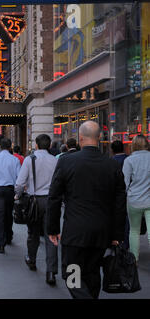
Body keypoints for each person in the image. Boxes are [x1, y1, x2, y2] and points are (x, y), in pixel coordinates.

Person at [46, 121, 127, 299]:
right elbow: (120, 203)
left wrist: (52, 228)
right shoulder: (112, 165)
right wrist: (117, 234)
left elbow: (54, 197)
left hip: (75, 232)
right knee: (92, 273)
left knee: (72, 274)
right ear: (99, 138)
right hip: (101, 232)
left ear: (80, 138)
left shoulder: (66, 161)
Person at [15, 134, 58, 285]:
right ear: (50, 145)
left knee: (33, 232)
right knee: (51, 235)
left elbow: (20, 183)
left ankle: (31, 259)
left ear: (37, 145)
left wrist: (18, 194)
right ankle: (51, 272)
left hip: (34, 201)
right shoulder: (55, 160)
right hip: (51, 201)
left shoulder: (30, 159)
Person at [122, 135, 150, 263]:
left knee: (134, 230)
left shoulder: (129, 160)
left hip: (134, 200)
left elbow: (125, 183)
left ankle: (134, 259)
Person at [111, 140, 130, 250]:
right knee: (127, 220)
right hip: (128, 194)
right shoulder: (128, 159)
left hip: (115, 194)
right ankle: (125, 242)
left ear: (112, 150)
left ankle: (115, 241)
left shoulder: (111, 161)